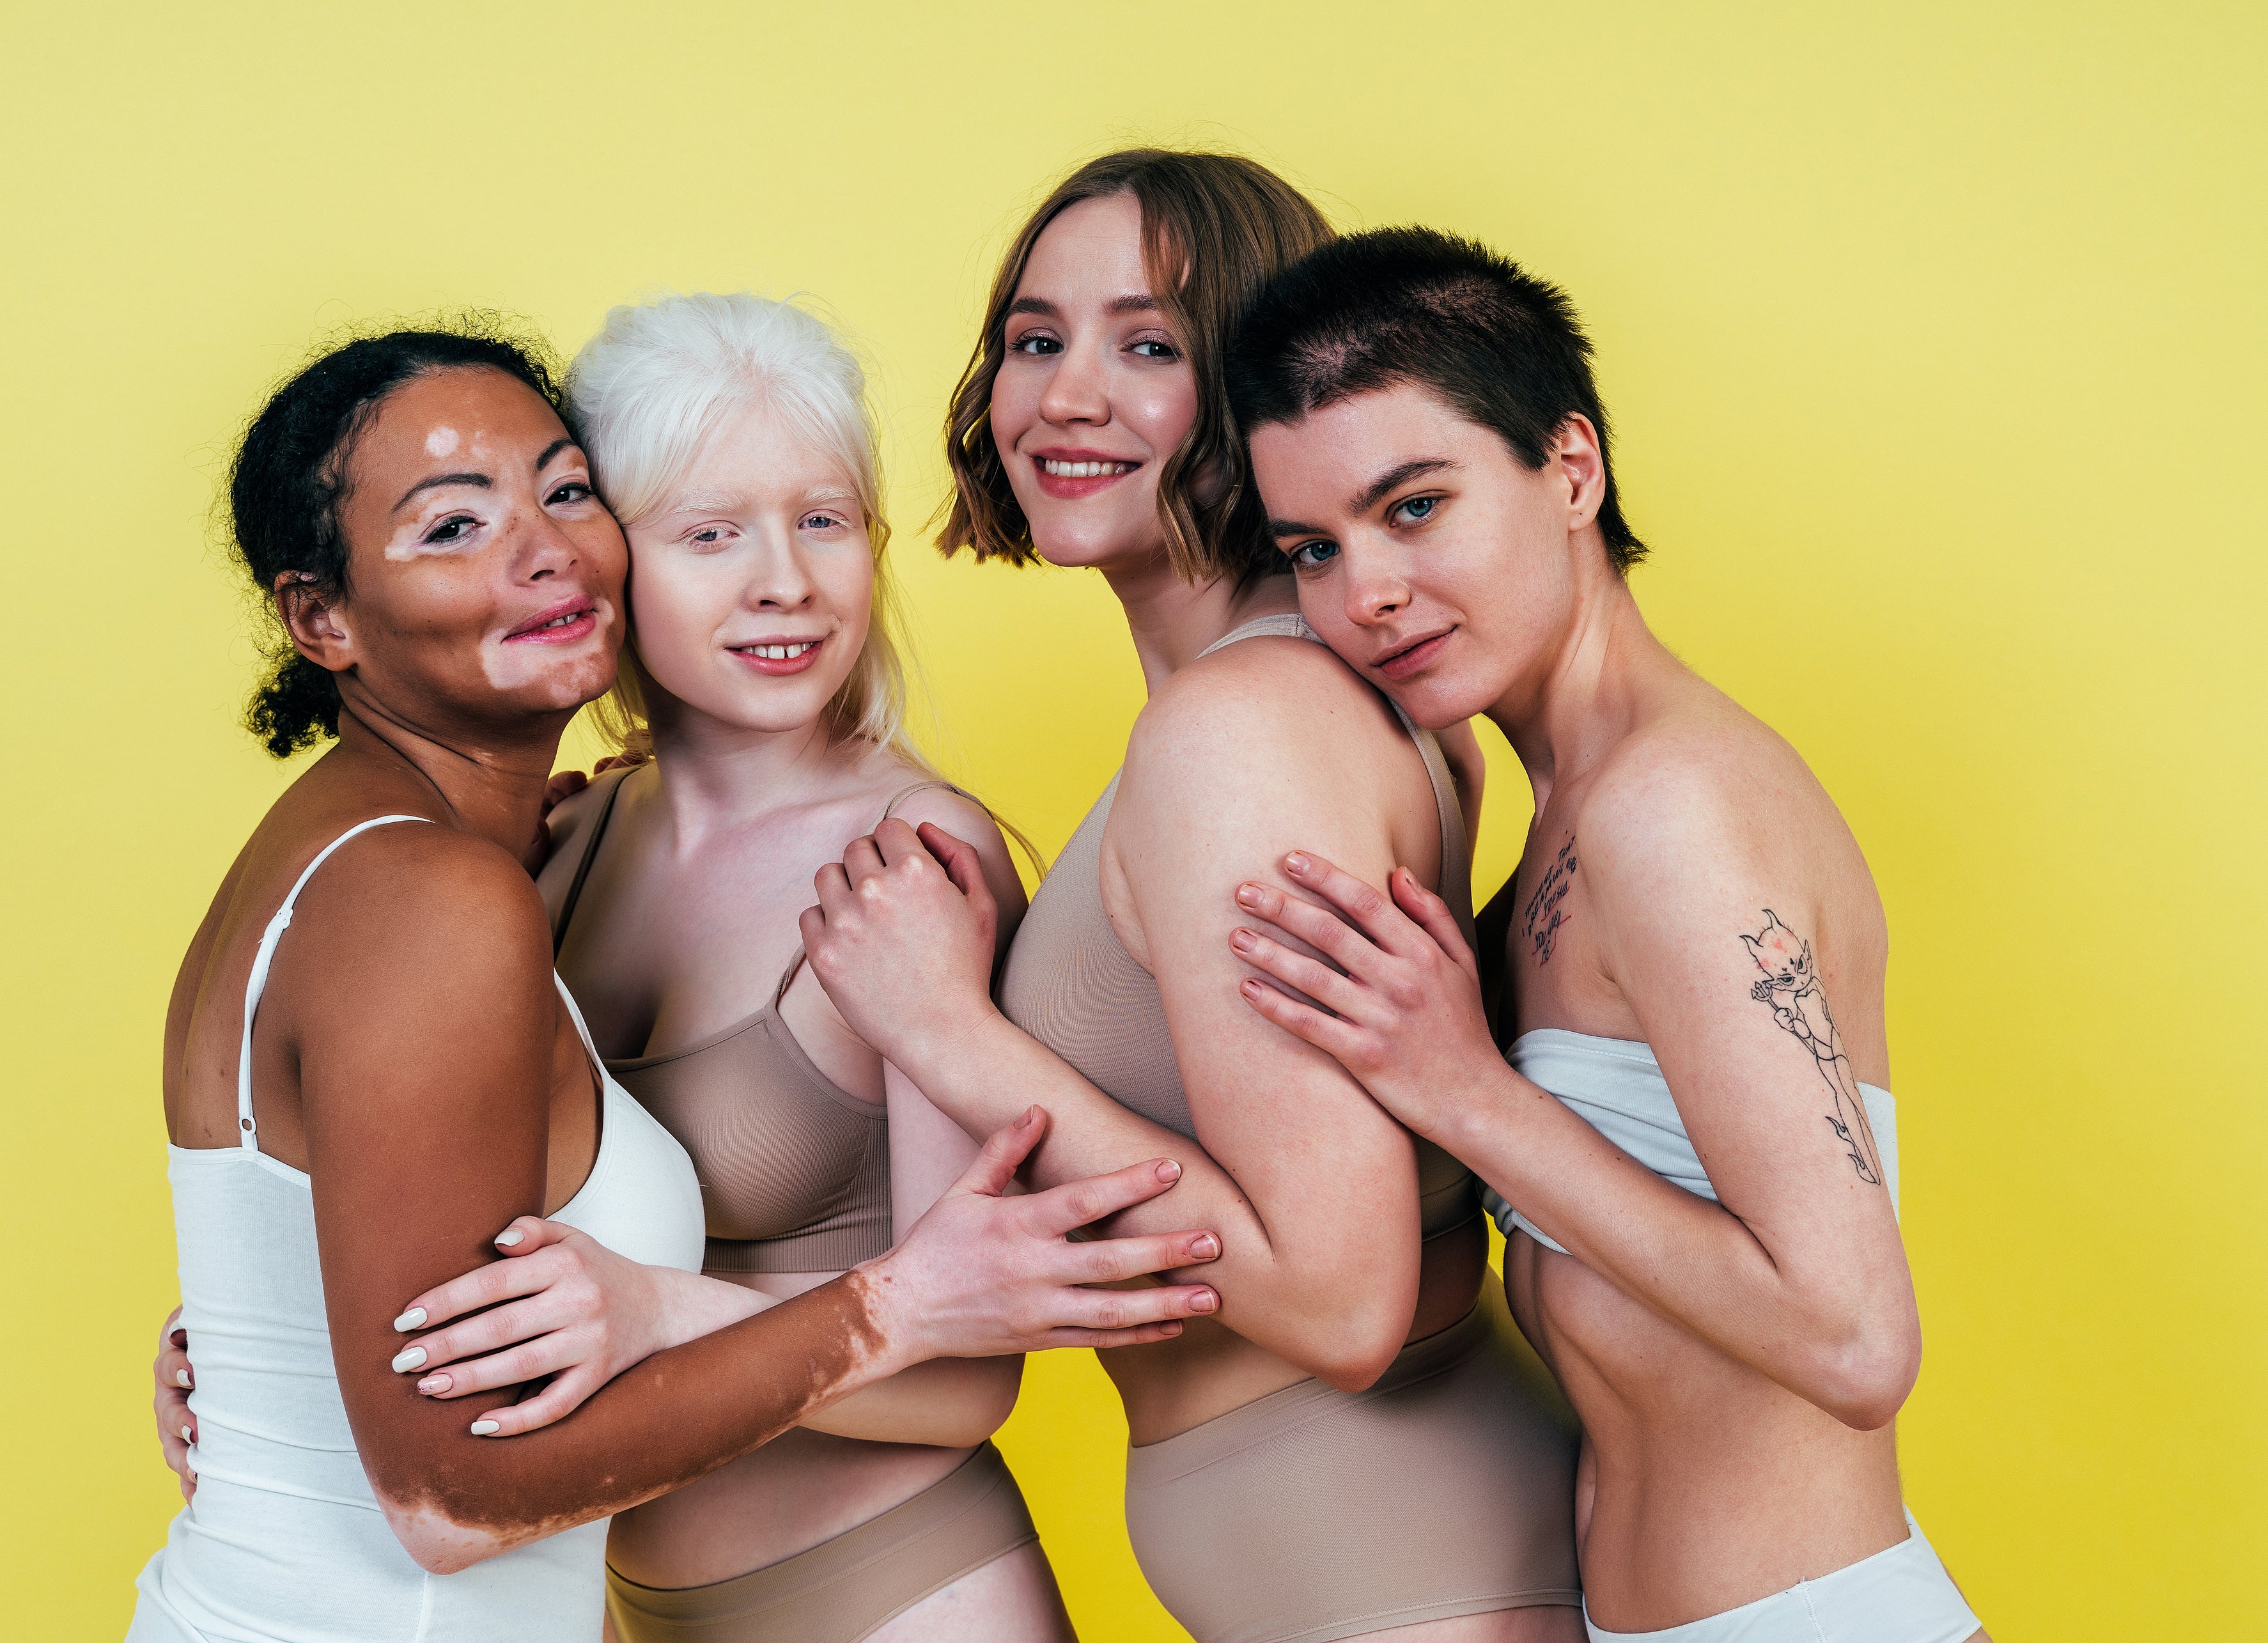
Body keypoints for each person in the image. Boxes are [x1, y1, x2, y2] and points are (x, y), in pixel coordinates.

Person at [131, 320, 1220, 1643]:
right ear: (322, 616)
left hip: (891, 1592)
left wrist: (657, 1308)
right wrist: (272, 1346)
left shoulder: (903, 869)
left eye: (823, 520)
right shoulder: (544, 853)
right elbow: (404, 1241)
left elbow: (960, 1355)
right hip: (620, 1602)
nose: (782, 584)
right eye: (708, 532)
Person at [796, 151, 1585, 1643]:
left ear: (1261, 392)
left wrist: (946, 1029)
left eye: (1147, 345)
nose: (1065, 397)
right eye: (1035, 339)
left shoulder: (1245, 731)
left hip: (1405, 1576)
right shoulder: (1319, 688)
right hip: (1381, 1566)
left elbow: (1340, 1304)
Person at [1216, 227, 1987, 1642]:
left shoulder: (1670, 810)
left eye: (1414, 507)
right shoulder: (1561, 813)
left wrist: (1465, 1091)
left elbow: (1854, 1339)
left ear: (1570, 468)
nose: (1364, 591)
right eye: (1311, 549)